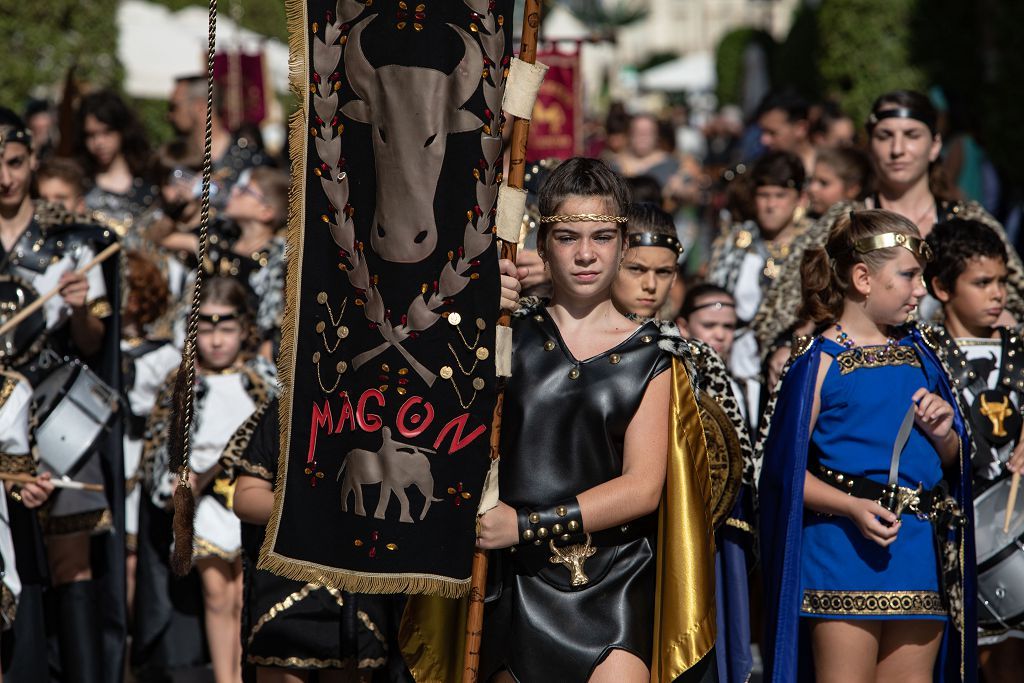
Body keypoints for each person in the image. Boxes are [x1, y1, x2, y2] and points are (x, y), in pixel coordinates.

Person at [476, 157, 716, 682]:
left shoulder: (654, 355)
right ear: (542, 245)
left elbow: (641, 488)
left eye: (602, 237)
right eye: (567, 237)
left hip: (615, 579)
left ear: (624, 244)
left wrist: (525, 525)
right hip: (517, 580)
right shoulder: (503, 335)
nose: (586, 254)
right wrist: (469, 314)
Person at [759, 209, 975, 682]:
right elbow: (782, 474)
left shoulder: (925, 354)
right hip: (841, 552)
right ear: (863, 278)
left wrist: (944, 436)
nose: (921, 288)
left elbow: (954, 463)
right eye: (910, 275)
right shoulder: (817, 363)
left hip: (917, 551)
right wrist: (852, 507)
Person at [755, 89, 1024, 384]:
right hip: (859, 386)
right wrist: (783, 348)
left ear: (935, 145)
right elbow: (779, 309)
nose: (898, 149)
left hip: (958, 392)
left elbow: (1014, 300)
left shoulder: (969, 220)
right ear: (870, 145)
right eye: (885, 136)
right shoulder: (845, 221)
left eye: (911, 135)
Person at [0, 106, 126, 683]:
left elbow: (93, 341)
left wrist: (79, 307)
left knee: (70, 559)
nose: (5, 177)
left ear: (31, 160)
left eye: (15, 163)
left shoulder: (74, 239)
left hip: (56, 408)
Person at [142, 276, 276, 683]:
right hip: (206, 504)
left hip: (252, 497)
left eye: (228, 329)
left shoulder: (264, 380)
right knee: (219, 595)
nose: (217, 341)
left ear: (245, 329)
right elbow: (158, 449)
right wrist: (180, 484)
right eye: (207, 329)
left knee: (247, 594)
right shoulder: (181, 384)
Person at [923, 218, 1024, 680]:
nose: (997, 293)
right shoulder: (923, 351)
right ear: (942, 287)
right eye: (982, 282)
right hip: (952, 537)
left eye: (1001, 281)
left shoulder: (1020, 347)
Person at [226, 398, 388, 683]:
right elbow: (246, 498)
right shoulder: (284, 409)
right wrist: (313, 509)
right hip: (284, 585)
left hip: (359, 588)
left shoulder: (391, 416)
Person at [709, 150, 811, 416]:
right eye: (764, 195)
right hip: (733, 368)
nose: (770, 205)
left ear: (800, 198)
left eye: (779, 196)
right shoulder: (734, 242)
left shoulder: (815, 248)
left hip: (790, 370)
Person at [121, 251, 181, 621]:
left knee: (132, 560)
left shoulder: (165, 356)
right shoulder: (97, 348)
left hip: (140, 458)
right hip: (104, 456)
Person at [167, 75, 269, 205]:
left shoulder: (252, 160)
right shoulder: (174, 160)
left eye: (174, 106)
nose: (169, 115)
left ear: (199, 107)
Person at [74, 90, 158, 234]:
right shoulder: (79, 183)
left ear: (122, 130)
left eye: (106, 132)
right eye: (91, 135)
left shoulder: (150, 181)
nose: (99, 142)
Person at [610, 202, 681, 320]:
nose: (651, 285)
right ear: (609, 266)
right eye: (636, 269)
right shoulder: (574, 336)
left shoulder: (678, 338)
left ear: (674, 277)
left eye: (663, 272)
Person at [756, 90, 815, 173]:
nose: (764, 140)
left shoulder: (826, 171)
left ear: (801, 129)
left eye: (772, 133)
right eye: (763, 131)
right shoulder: (761, 169)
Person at [806, 147, 871, 218]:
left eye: (823, 183)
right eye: (811, 180)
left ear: (852, 189)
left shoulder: (858, 226)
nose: (812, 188)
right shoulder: (805, 219)